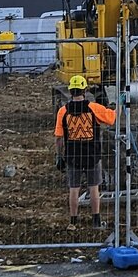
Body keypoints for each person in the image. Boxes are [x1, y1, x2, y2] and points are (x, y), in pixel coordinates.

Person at [54, 74, 116, 226]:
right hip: (92, 154)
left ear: (70, 91)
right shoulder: (94, 108)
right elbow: (113, 118)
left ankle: (73, 222)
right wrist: (119, 104)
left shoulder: (63, 111)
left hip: (72, 155)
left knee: (74, 189)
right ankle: (96, 220)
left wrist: (59, 156)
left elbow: (58, 137)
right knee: (94, 188)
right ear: (84, 90)